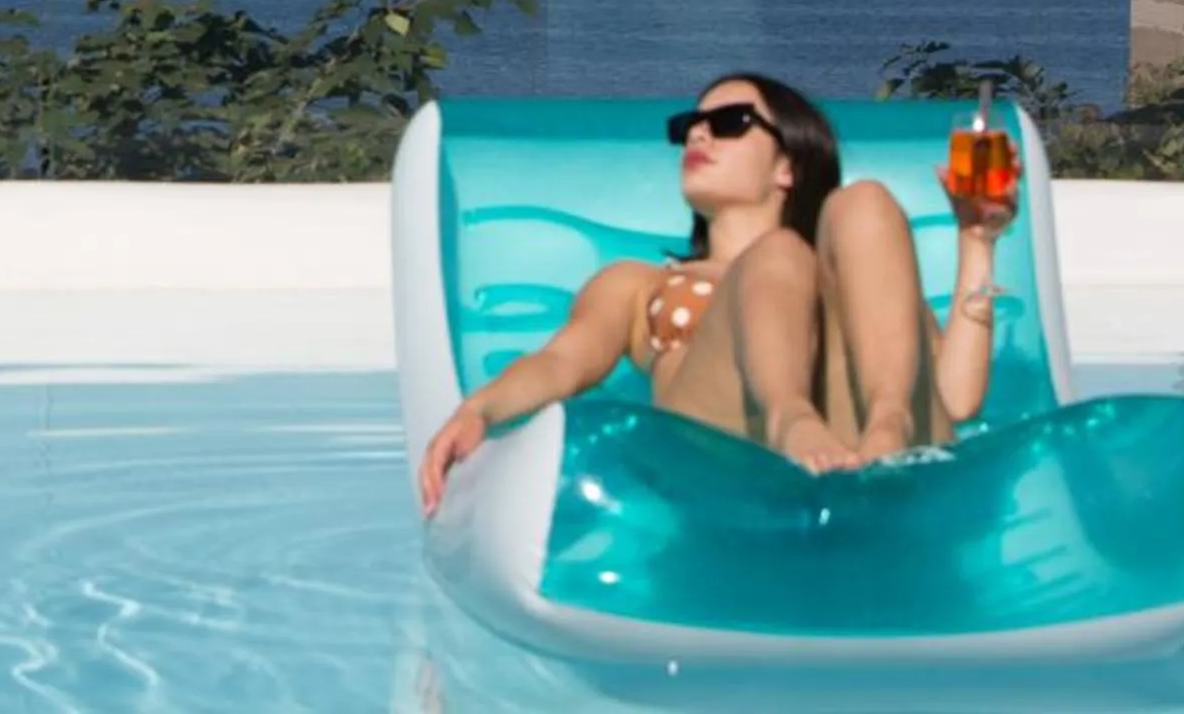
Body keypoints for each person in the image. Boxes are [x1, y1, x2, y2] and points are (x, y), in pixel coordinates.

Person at [416, 72, 1020, 516]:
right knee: (778, 258)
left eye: (730, 123)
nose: (699, 133)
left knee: (865, 203)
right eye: (688, 127)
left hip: (871, 437)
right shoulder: (639, 284)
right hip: (730, 452)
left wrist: (977, 240)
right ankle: (792, 420)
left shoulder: (855, 284)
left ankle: (885, 433)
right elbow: (561, 361)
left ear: (788, 166)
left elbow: (956, 401)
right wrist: (479, 409)